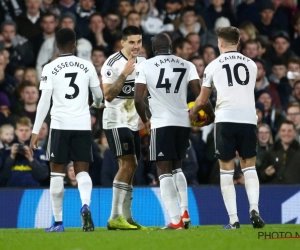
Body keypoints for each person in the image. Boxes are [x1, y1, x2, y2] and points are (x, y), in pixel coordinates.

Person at [134, 32, 214, 229]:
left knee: (163, 170)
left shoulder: (145, 65)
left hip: (161, 122)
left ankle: (174, 219)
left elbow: (137, 99)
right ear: (170, 46)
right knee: (177, 167)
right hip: (183, 122)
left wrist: (145, 120)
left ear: (153, 49)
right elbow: (200, 95)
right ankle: (185, 210)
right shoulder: (187, 64)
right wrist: (210, 116)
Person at [190, 26, 265, 229]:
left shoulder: (213, 65)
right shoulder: (252, 65)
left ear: (220, 43)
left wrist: (193, 113)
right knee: (249, 166)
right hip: (248, 120)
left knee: (226, 170)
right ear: (238, 43)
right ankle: (254, 209)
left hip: (225, 119)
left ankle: (233, 219)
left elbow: (203, 99)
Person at [29, 28, 103, 232]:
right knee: (82, 172)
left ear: (56, 46)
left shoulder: (49, 68)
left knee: (57, 174)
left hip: (60, 126)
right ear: (74, 44)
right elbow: (98, 96)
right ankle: (85, 205)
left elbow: (44, 101)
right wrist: (95, 103)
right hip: (82, 125)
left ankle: (59, 222)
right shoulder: (87, 66)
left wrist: (35, 132)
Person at [101, 26, 146, 230]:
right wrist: (124, 74)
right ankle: (114, 216)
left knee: (132, 165)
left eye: (139, 42)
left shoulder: (144, 63)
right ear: (122, 43)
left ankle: (127, 218)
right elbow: (108, 95)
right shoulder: (112, 63)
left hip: (133, 121)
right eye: (131, 42)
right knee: (128, 163)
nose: (136, 46)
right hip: (115, 120)